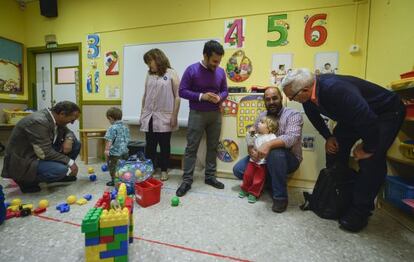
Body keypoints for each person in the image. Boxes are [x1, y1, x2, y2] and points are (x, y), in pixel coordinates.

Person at [281, 68, 406, 232]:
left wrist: (368, 147)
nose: (291, 99)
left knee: (371, 160)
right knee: (334, 149)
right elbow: (314, 115)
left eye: (292, 96)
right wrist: (328, 137)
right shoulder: (308, 97)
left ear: (305, 90)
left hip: (385, 113)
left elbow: (367, 118)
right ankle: (338, 195)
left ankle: (360, 210)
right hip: (354, 116)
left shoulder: (336, 89)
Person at [233, 87, 303, 212]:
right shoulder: (262, 116)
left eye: (275, 98)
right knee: (238, 170)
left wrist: (269, 144)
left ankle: (280, 197)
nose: (271, 102)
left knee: (276, 153)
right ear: (264, 101)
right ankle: (268, 182)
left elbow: (291, 138)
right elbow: (252, 134)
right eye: (268, 99)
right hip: (261, 159)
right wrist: (251, 149)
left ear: (281, 98)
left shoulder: (293, 114)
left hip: (288, 159)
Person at [176, 40, 228, 197]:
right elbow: (182, 91)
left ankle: (210, 177)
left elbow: (225, 90)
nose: (216, 64)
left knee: (213, 146)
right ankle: (187, 181)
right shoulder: (192, 70)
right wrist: (202, 96)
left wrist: (220, 97)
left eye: (219, 61)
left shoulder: (220, 72)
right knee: (192, 147)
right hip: (197, 114)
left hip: (215, 115)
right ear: (205, 55)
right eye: (214, 61)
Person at [1, 101, 81, 193]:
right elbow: (45, 153)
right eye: (72, 120)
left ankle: (56, 176)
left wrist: (69, 139)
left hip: (38, 154)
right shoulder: (39, 121)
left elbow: (68, 132)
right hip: (25, 161)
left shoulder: (54, 119)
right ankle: (25, 180)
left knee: (76, 144)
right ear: (62, 114)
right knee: (60, 170)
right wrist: (71, 163)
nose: (72, 123)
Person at [140, 48, 180, 181]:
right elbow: (145, 95)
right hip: (149, 116)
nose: (148, 65)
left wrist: (174, 115)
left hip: (165, 117)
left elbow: (177, 97)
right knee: (150, 145)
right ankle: (150, 169)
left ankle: (164, 170)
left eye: (149, 61)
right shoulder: (148, 74)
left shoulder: (171, 73)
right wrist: (142, 114)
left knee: (164, 145)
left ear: (158, 59)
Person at [239, 116, 278, 204]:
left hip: (262, 163)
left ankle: (253, 193)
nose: (258, 123)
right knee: (247, 175)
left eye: (262, 122)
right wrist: (249, 133)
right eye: (259, 121)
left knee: (258, 179)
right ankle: (245, 188)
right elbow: (249, 142)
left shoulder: (272, 136)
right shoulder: (256, 135)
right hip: (252, 161)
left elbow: (273, 147)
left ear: (269, 128)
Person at [104, 107, 130, 186]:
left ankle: (114, 181)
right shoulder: (125, 127)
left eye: (108, 119)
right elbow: (128, 139)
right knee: (124, 167)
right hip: (125, 151)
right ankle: (124, 180)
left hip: (115, 154)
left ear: (111, 118)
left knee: (113, 167)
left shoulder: (112, 128)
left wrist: (107, 150)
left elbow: (109, 140)